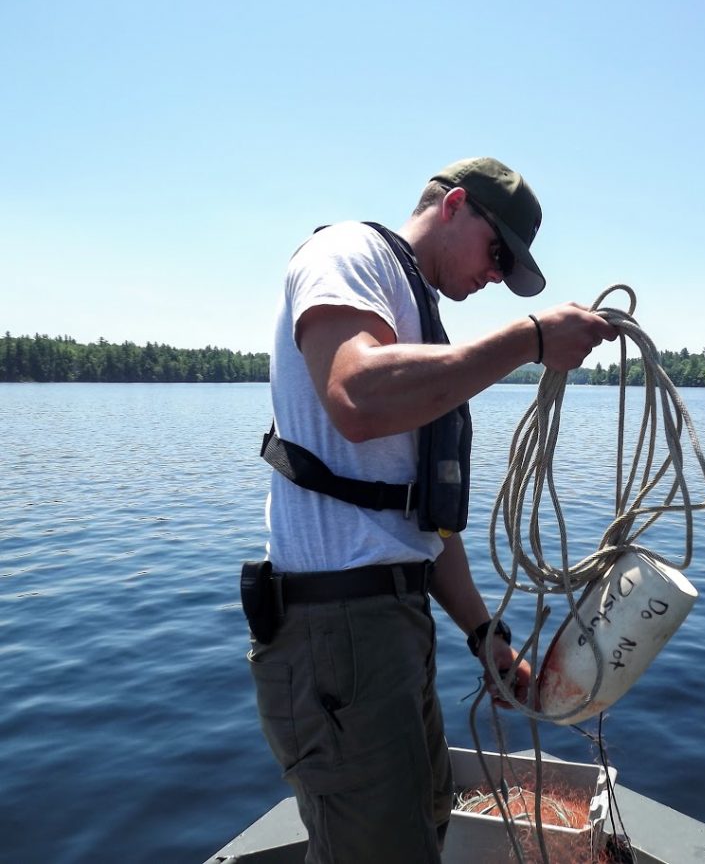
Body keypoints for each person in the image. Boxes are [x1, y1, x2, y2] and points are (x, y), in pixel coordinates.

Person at [247, 156, 617, 863]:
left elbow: (419, 520)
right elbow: (356, 397)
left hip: (390, 628)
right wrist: (530, 340)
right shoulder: (349, 253)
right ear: (454, 206)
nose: (495, 277)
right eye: (497, 252)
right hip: (337, 630)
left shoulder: (417, 317)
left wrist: (486, 638)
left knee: (419, 831)